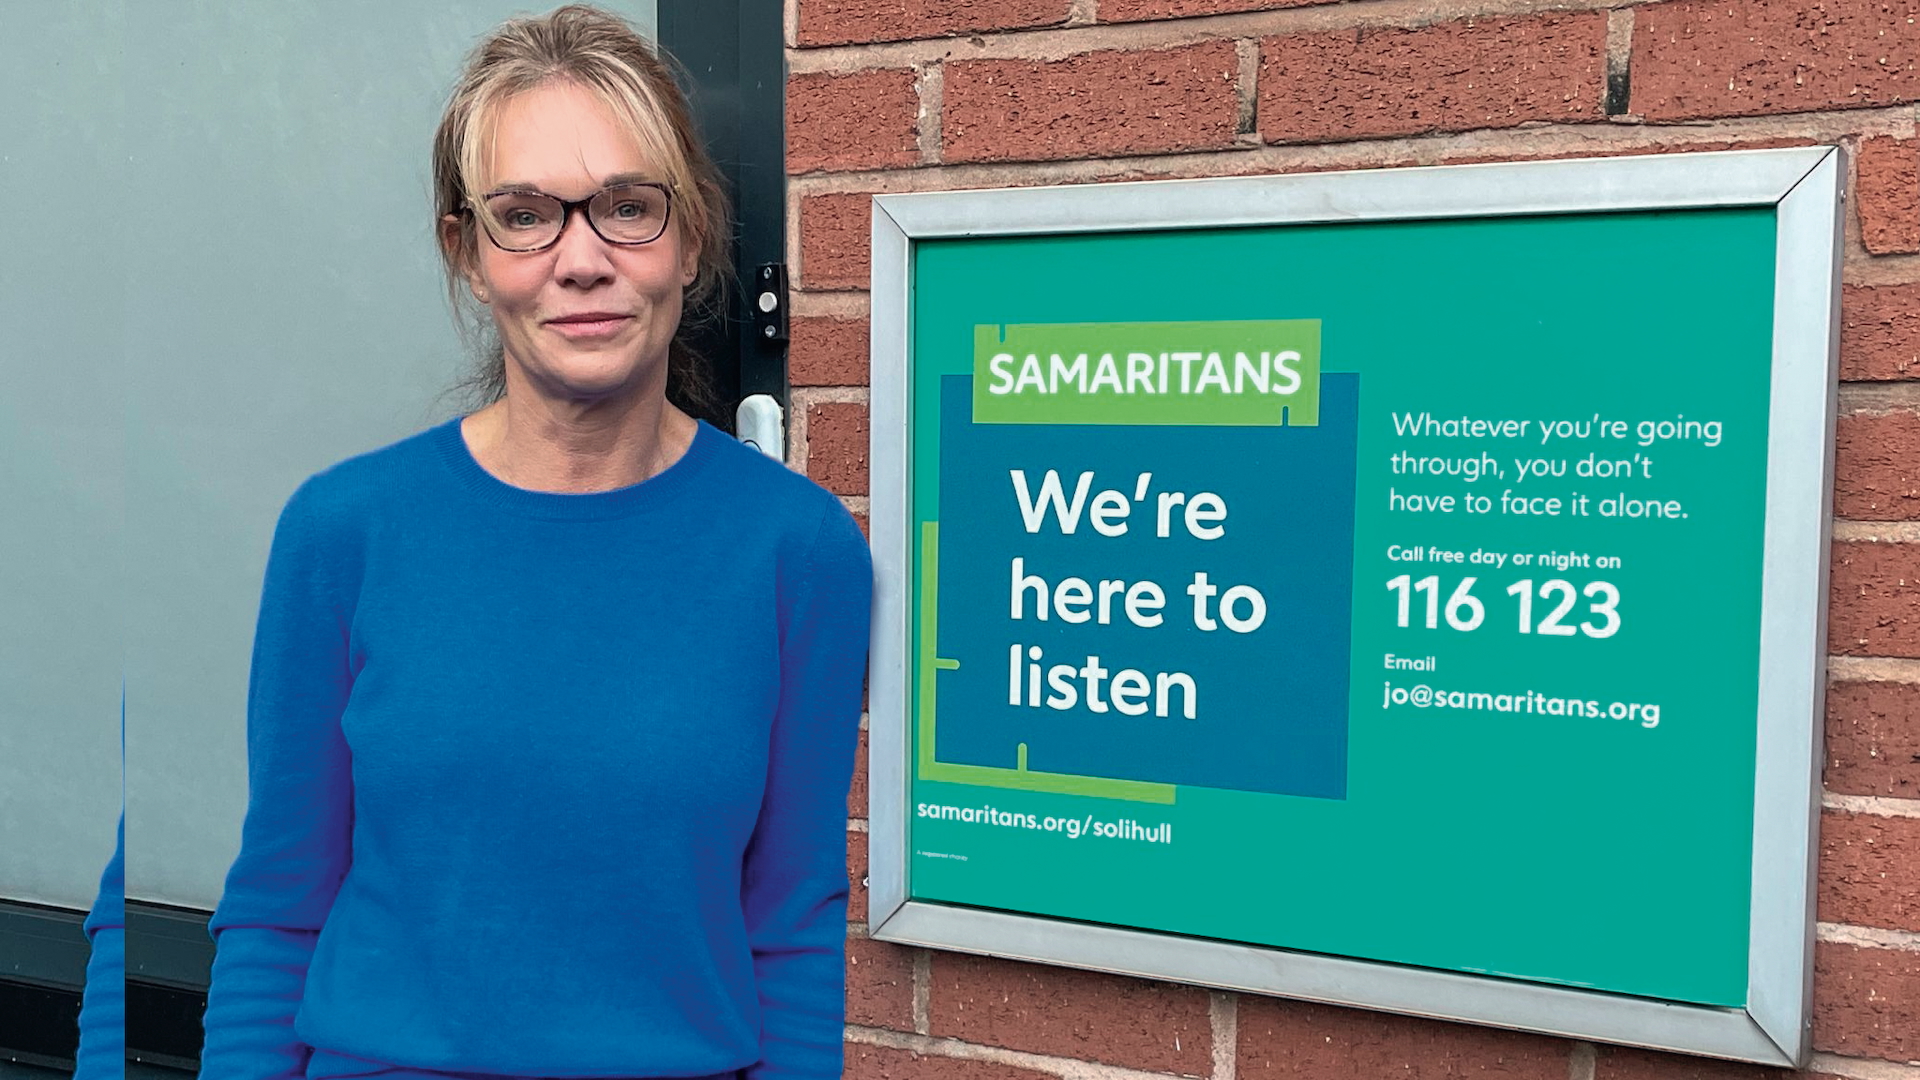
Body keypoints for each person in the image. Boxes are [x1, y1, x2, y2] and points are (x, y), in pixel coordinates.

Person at [195, 7, 872, 1080]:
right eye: (525, 215)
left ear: (691, 236)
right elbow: (279, 912)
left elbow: (791, 931)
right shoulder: (344, 534)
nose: (582, 259)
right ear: (468, 251)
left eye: (628, 208)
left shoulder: (798, 554)